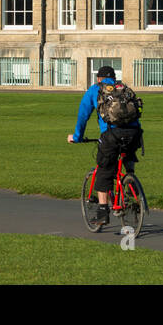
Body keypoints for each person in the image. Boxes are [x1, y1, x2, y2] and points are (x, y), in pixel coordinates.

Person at [67, 65, 143, 229]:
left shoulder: (96, 89)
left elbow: (83, 115)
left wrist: (77, 137)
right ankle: (131, 184)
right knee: (127, 156)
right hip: (134, 133)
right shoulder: (123, 88)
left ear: (99, 78)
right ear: (114, 78)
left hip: (112, 135)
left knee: (104, 170)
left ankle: (102, 212)